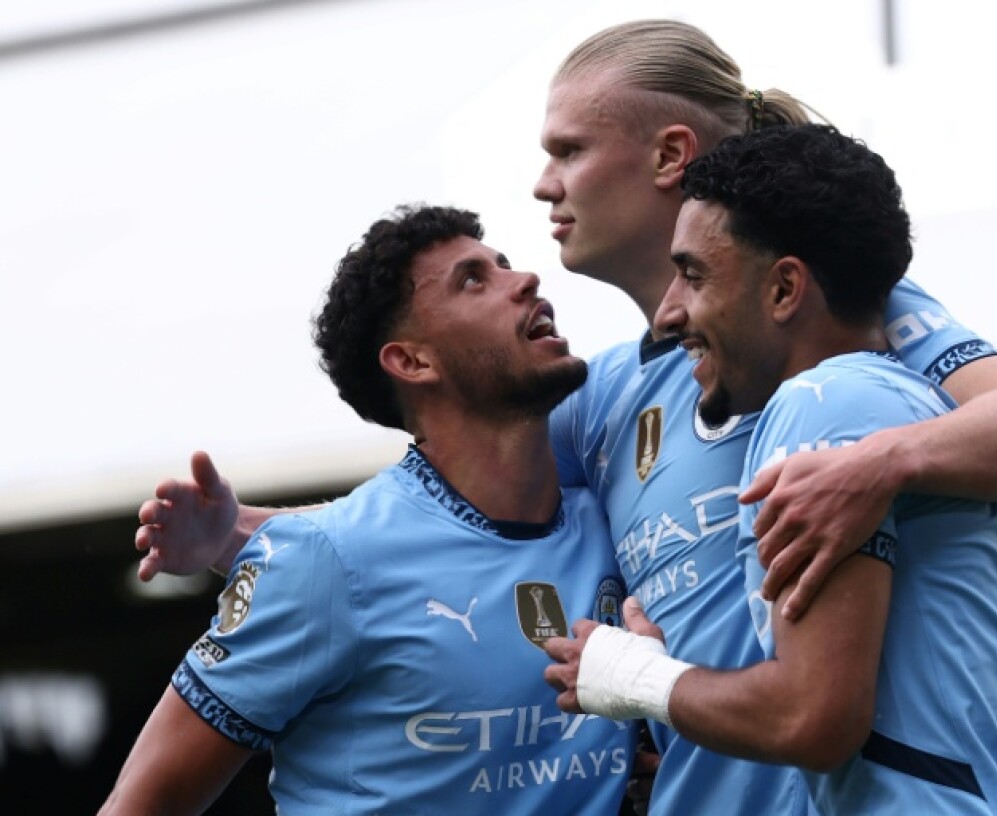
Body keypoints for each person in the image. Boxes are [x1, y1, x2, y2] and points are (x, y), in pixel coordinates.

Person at [131, 19, 997, 815]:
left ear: (670, 153)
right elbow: (446, 525)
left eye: (567, 152)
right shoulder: (604, 402)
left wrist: (905, 495)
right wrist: (243, 537)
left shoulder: (829, 323)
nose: (544, 188)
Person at [544, 122, 997, 815]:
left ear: (786, 288)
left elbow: (811, 719)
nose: (672, 312)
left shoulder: (823, 402)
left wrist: (634, 677)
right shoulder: (919, 404)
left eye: (694, 275)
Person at [100, 205, 635, 815]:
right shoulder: (320, 563)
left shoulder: (614, 518)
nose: (525, 281)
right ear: (412, 362)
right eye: (473, 280)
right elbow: (142, 804)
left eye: (504, 266)